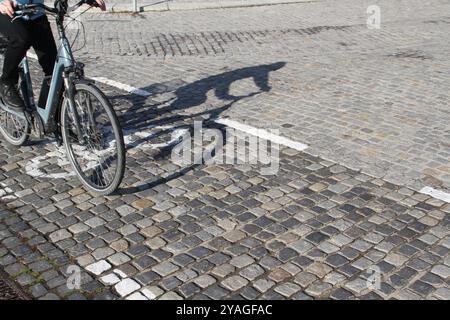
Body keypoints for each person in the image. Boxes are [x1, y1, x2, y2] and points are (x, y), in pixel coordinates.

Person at [0, 0, 106, 110]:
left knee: (53, 71)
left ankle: (48, 119)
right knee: (21, 39)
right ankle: (6, 82)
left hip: (36, 13)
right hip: (8, 10)